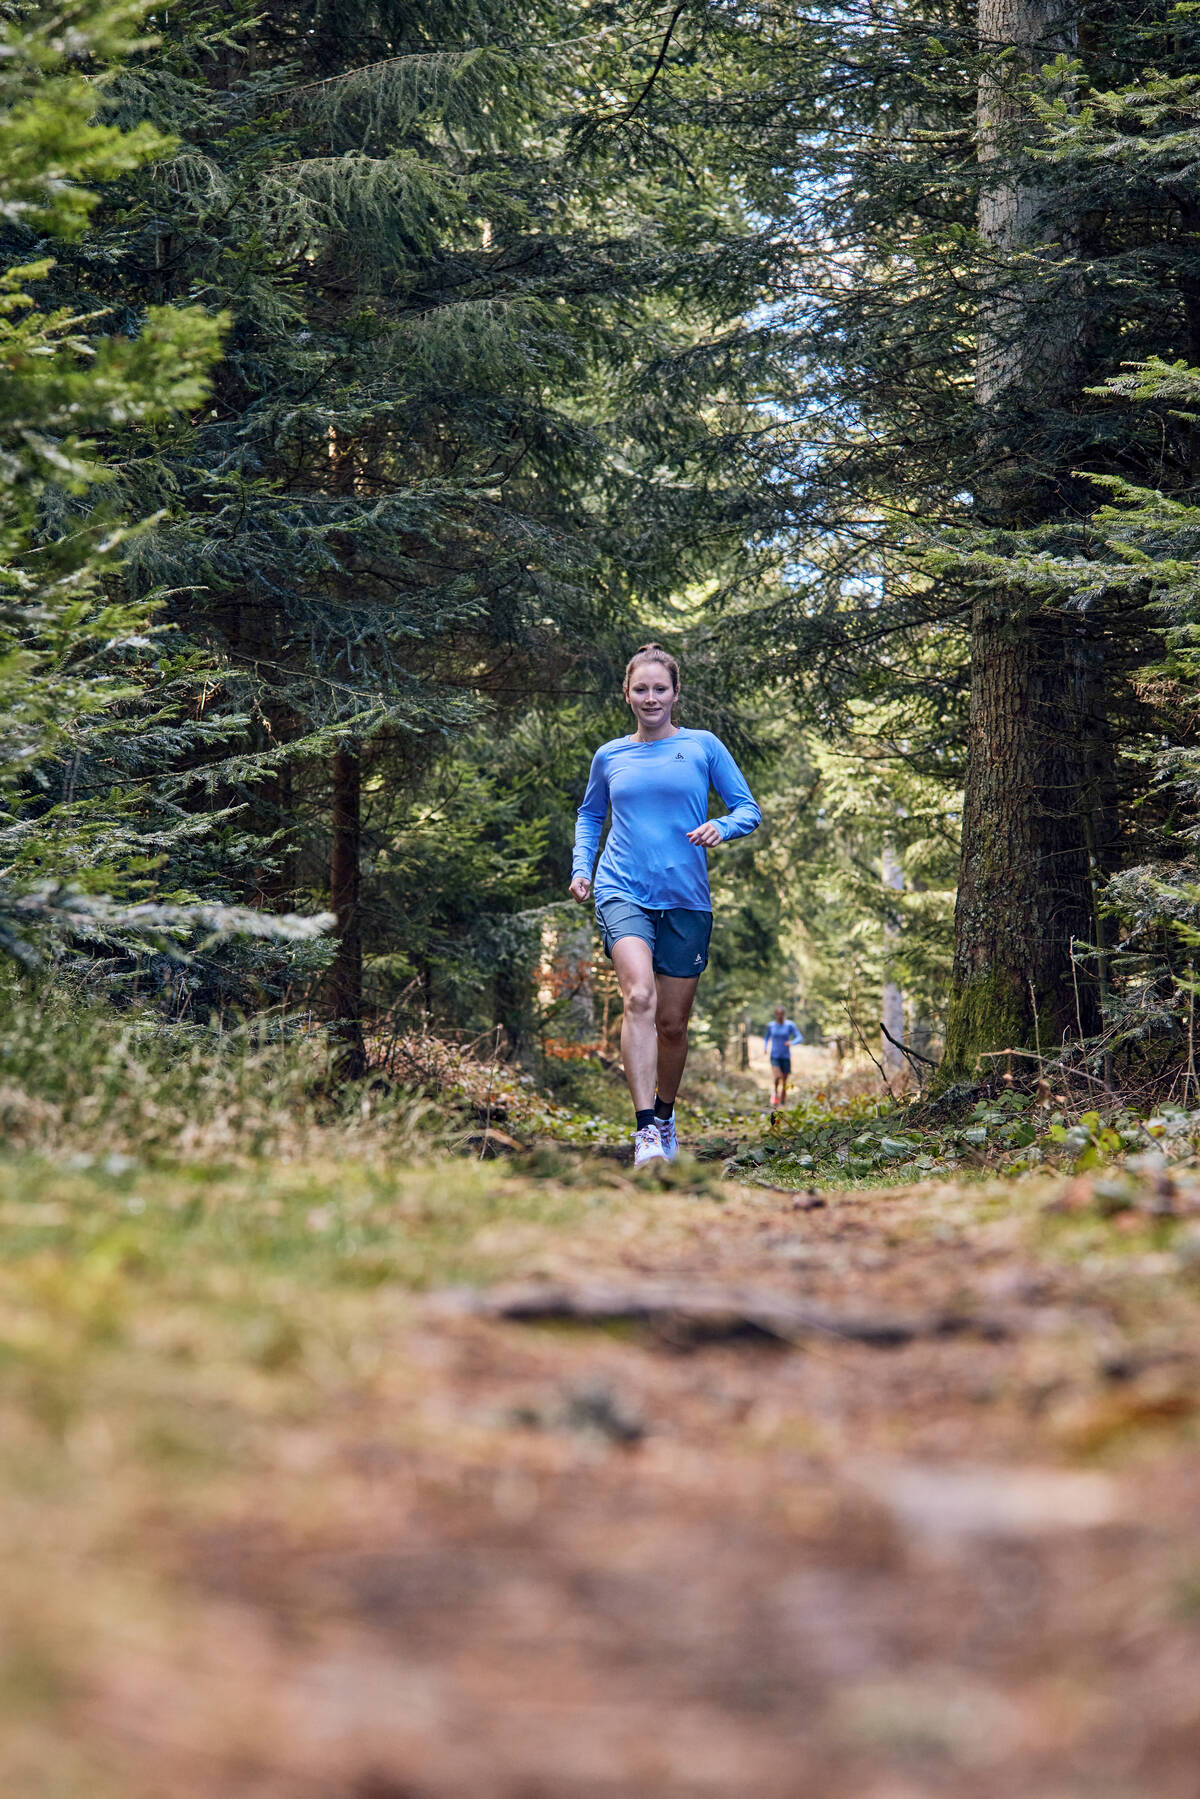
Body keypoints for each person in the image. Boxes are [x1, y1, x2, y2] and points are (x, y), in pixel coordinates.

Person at [570, 643, 761, 1167]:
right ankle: (644, 1134)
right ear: (627, 694)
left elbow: (748, 809)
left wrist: (721, 826)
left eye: (660, 688)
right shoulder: (610, 755)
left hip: (686, 900)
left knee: (673, 1024)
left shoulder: (702, 747)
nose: (650, 697)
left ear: (675, 693)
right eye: (641, 689)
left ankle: (665, 1114)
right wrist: (581, 868)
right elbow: (590, 816)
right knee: (638, 998)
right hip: (621, 888)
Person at [763, 1004, 803, 1108]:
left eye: (781, 1014)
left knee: (785, 1081)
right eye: (778, 1014)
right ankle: (775, 1093)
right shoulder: (771, 1025)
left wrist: (792, 1042)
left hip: (785, 1056)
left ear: (784, 1014)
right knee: (777, 1077)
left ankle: (783, 1100)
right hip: (774, 1055)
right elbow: (767, 1037)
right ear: (775, 1014)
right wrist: (765, 1047)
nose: (780, 1016)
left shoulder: (790, 1025)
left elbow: (799, 1037)